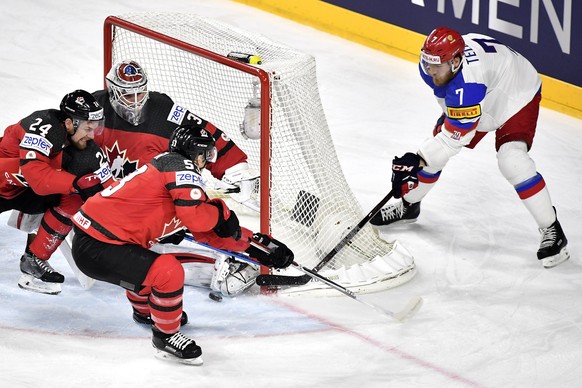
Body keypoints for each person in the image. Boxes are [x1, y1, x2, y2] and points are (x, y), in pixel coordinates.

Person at [70, 124, 293, 365]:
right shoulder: (180, 166)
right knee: (166, 271)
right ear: (196, 154)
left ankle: (146, 313)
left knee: (144, 262)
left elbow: (207, 231)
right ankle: (165, 338)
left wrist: (258, 249)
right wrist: (221, 212)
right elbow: (198, 217)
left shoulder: (172, 171)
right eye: (207, 154)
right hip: (98, 246)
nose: (207, 162)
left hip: (97, 241)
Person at [370, 27, 569, 269]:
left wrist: (418, 158)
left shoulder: (469, 85)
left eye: (437, 65)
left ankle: (552, 228)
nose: (430, 70)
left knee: (512, 160)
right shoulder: (434, 68)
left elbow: (453, 140)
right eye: (427, 62)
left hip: (516, 92)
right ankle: (409, 206)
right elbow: (450, 123)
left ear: (455, 61)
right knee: (436, 146)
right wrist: (425, 156)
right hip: (487, 85)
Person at [0, 90, 113, 294]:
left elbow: (110, 188)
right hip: (4, 181)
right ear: (69, 123)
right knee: (40, 173)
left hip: (26, 194)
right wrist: (77, 182)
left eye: (95, 128)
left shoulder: (86, 150)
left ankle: (34, 259)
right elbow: (38, 179)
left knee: (74, 198)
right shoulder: (42, 125)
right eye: (88, 128)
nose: (91, 135)